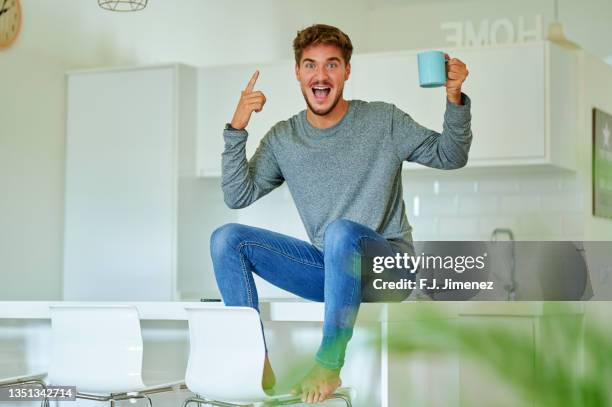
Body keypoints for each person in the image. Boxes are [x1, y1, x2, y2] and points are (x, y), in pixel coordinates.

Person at [210, 23, 471, 404]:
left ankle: (329, 363)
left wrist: (454, 98)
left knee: (341, 233)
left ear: (347, 70)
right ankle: (254, 359)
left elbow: (451, 155)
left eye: (332, 65)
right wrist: (236, 128)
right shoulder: (285, 138)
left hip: (390, 269)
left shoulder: (384, 121)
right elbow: (237, 195)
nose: (321, 75)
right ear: (298, 73)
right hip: (333, 271)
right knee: (226, 240)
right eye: (311, 65)